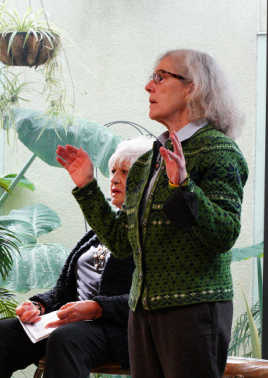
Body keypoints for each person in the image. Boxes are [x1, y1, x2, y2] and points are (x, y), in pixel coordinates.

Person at [56, 49, 249, 378]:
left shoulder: (218, 150)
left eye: (160, 77)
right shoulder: (148, 160)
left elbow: (224, 234)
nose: (148, 86)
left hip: (193, 310)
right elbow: (121, 242)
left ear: (193, 87)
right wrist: (87, 186)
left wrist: (184, 187)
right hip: (141, 313)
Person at [0, 136, 152, 378]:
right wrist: (38, 306)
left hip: (114, 330)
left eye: (125, 172)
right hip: (68, 324)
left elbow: (152, 298)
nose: (114, 178)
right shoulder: (98, 233)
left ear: (148, 181)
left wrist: (98, 308)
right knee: (4, 332)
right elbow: (62, 291)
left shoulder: (153, 233)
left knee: (66, 338)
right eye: (113, 171)